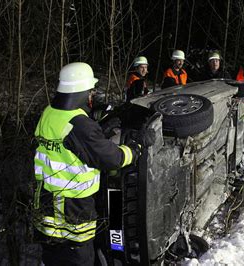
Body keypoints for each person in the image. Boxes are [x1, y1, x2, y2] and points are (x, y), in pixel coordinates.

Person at [33, 62, 154, 266]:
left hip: (47, 211)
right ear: (80, 91)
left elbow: (71, 145)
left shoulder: (50, 114)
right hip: (72, 218)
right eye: (89, 91)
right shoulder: (79, 125)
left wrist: (100, 130)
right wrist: (136, 148)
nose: (91, 96)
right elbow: (113, 158)